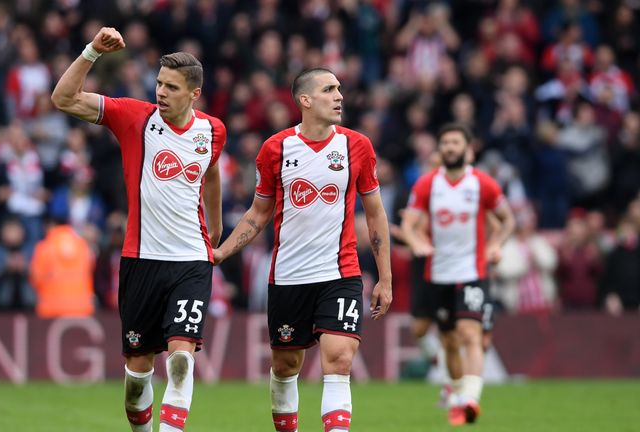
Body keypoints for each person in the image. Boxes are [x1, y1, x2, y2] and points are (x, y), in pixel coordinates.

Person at [51, 27, 225, 432]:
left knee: (181, 358)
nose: (161, 92)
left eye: (172, 87)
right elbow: (62, 98)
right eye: (159, 83)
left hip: (191, 260)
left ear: (194, 94)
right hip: (140, 260)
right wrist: (92, 51)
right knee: (137, 375)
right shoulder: (135, 117)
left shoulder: (213, 130)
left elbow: (212, 172)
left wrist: (214, 229)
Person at [213, 68, 392, 432]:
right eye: (329, 89)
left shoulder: (357, 146)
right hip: (289, 276)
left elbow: (375, 214)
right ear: (305, 100)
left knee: (339, 360)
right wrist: (221, 252)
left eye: (340, 89)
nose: (339, 96)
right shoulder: (275, 149)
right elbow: (258, 213)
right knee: (285, 367)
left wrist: (384, 277)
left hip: (340, 272)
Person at [400, 123, 515, 425]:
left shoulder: (483, 184)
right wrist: (417, 242)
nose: (450, 147)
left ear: (468, 148)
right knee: (446, 340)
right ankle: (454, 391)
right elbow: (409, 226)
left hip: (471, 271)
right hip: (436, 274)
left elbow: (507, 221)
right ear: (440, 150)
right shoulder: (427, 184)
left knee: (470, 334)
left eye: (455, 142)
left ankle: (469, 399)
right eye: (445, 143)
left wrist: (495, 245)